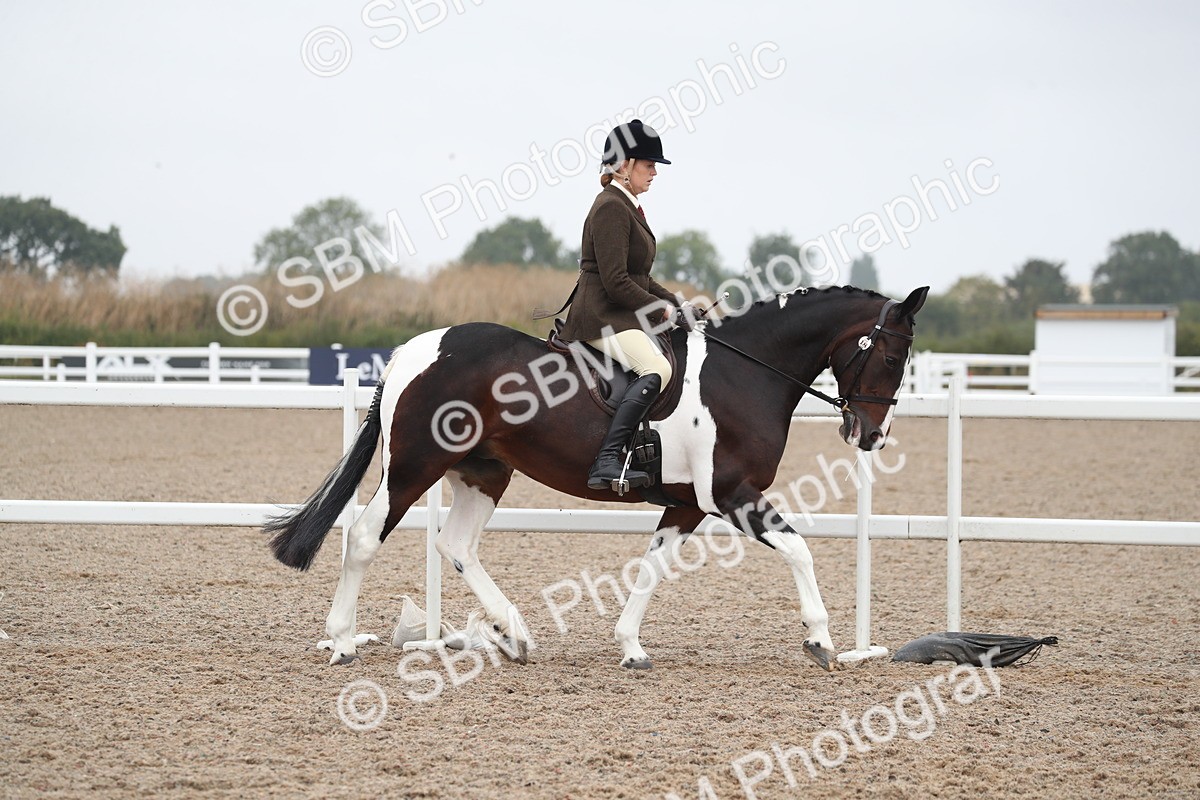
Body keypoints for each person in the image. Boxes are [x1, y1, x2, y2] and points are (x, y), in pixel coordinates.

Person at [558, 119, 694, 491]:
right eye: (648, 165)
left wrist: (677, 303)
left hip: (618, 313)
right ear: (624, 165)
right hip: (599, 316)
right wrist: (662, 311)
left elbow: (641, 278)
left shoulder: (628, 205)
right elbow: (617, 281)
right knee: (656, 367)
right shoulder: (611, 207)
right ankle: (608, 459)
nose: (654, 173)